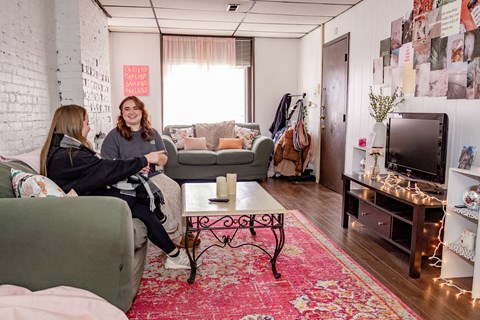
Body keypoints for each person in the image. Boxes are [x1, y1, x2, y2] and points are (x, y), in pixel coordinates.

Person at [39, 104, 192, 270]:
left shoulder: (65, 149)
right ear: (74, 125)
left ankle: (174, 254)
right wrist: (143, 159)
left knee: (141, 206)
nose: (89, 128)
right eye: (86, 123)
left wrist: (138, 164)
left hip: (85, 196)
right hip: (82, 205)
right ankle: (163, 222)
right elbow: (105, 168)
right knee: (135, 190)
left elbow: (97, 170)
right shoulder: (68, 155)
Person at [101, 96, 196, 248]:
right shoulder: (114, 136)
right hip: (128, 179)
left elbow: (163, 157)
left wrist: (151, 160)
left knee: (174, 188)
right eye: (127, 109)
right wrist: (135, 166)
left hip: (152, 174)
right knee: (160, 195)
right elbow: (109, 165)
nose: (131, 112)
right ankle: (171, 237)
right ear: (121, 113)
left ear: (142, 111)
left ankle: (182, 232)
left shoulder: (152, 133)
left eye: (135, 108)